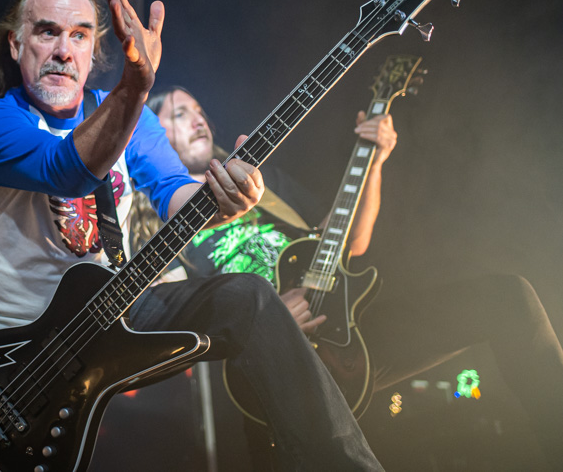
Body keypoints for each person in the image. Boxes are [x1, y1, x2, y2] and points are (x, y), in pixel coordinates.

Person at [0, 0, 383, 470]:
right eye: (47, 32)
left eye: (79, 36)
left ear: (95, 50)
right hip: (18, 359)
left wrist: (224, 198)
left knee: (247, 297)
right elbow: (66, 170)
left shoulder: (132, 118)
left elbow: (177, 197)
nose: (63, 51)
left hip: (105, 316)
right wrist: (137, 85)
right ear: (16, 43)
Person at [140, 85, 563, 470]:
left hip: (346, 331)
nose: (198, 118)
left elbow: (346, 243)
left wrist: (373, 163)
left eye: (199, 109)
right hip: (263, 374)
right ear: (153, 140)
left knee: (511, 298)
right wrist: (265, 315)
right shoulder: (158, 226)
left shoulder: (263, 184)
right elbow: (166, 321)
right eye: (179, 114)